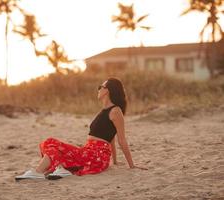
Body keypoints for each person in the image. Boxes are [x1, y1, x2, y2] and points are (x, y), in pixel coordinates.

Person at [15, 77, 148, 180]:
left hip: (97, 155)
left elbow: (121, 140)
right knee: (50, 143)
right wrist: (115, 161)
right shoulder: (105, 111)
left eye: (100, 87)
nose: (98, 89)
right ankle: (57, 170)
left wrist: (131, 165)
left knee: (54, 145)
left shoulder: (116, 111)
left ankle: (38, 173)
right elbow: (110, 136)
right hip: (88, 151)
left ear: (107, 90)